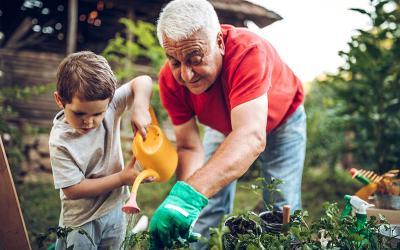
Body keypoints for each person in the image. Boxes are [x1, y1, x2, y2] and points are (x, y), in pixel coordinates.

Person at [149, 0, 306, 248]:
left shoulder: (248, 51)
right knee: (204, 204)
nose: (186, 75)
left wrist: (188, 195)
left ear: (219, 42)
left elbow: (250, 136)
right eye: (175, 61)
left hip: (282, 120)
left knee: (279, 206)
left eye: (195, 58)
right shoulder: (170, 81)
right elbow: (190, 148)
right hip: (225, 126)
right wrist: (181, 202)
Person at [49, 51, 153, 249]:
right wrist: (122, 179)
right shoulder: (60, 140)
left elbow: (143, 81)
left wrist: (139, 107)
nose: (89, 121)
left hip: (116, 208)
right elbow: (72, 189)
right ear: (60, 100)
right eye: (79, 113)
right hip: (81, 220)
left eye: (98, 113)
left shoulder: (111, 105)